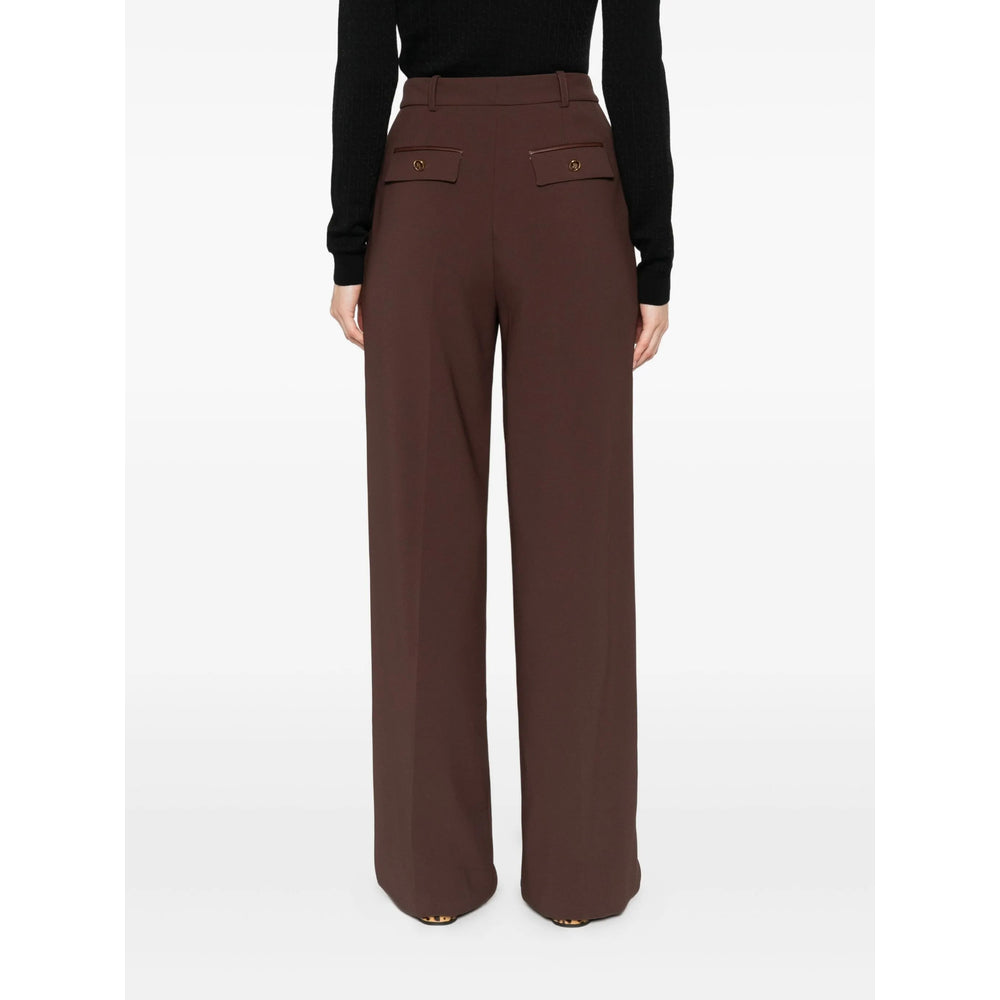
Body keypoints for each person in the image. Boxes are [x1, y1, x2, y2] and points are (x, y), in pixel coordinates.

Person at [327, 0, 673, 928]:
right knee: (579, 540)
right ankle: (582, 877)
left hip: (423, 184)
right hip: (570, 182)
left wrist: (350, 246)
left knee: (421, 536)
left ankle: (430, 873)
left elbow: (364, 59)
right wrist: (654, 255)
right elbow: (634, 61)